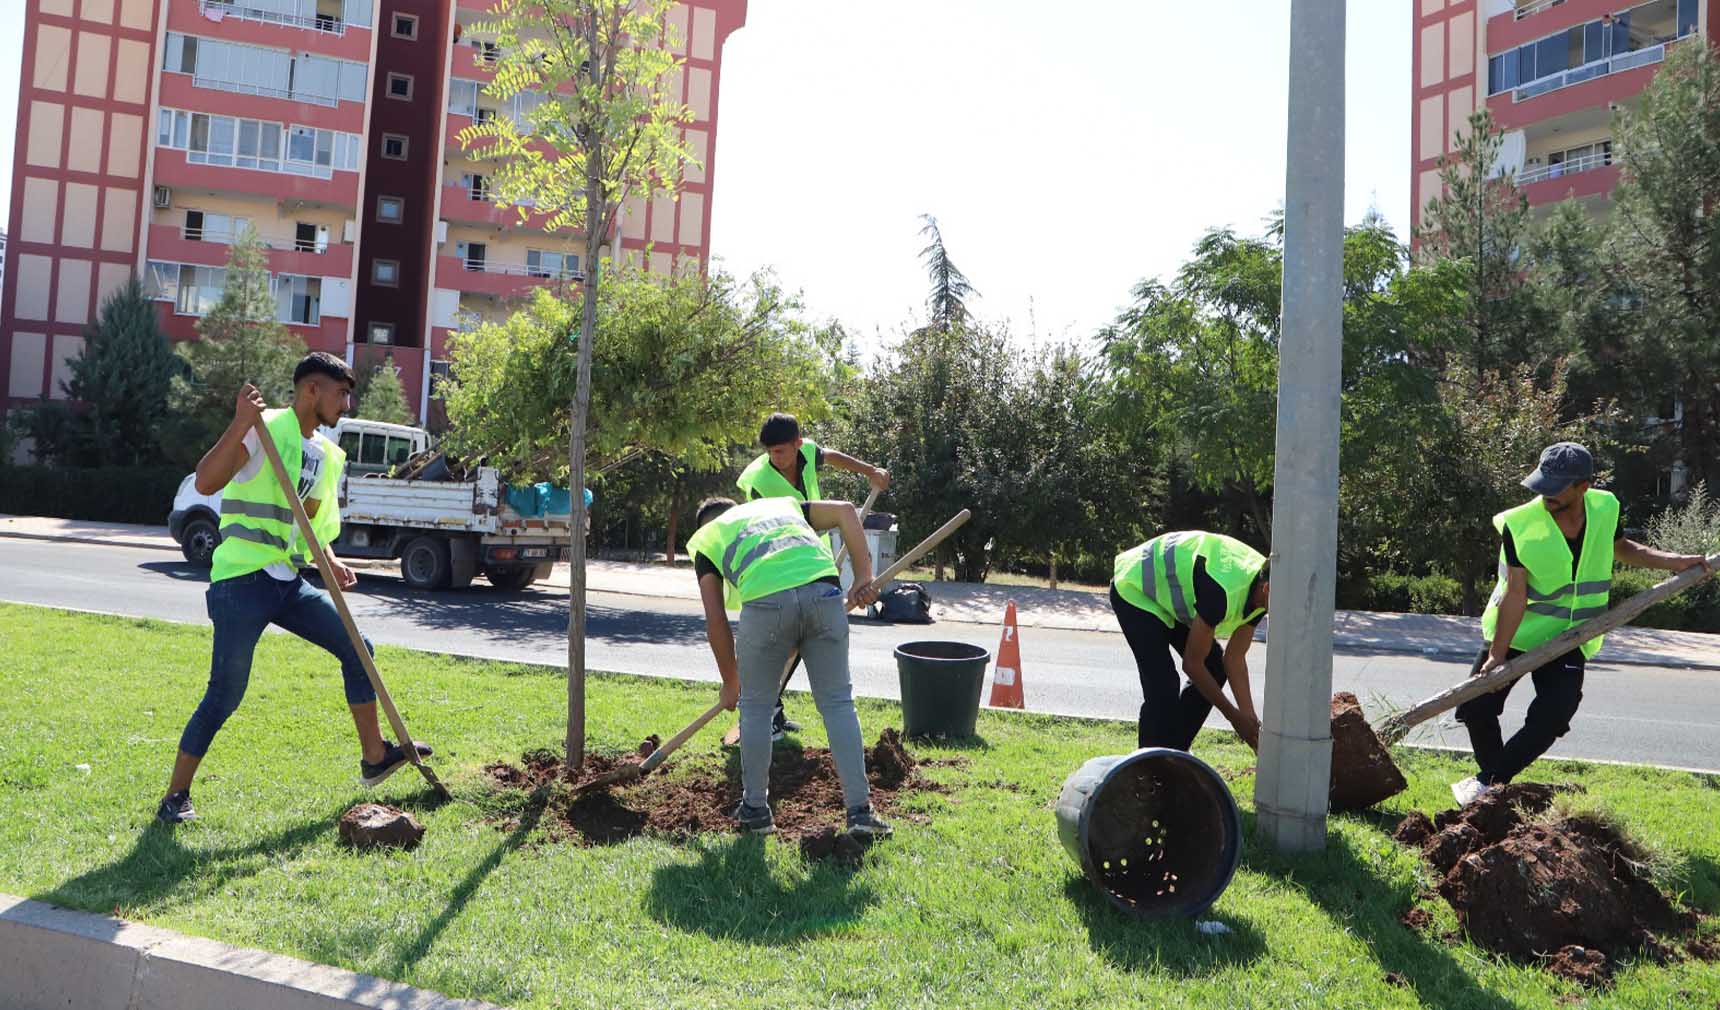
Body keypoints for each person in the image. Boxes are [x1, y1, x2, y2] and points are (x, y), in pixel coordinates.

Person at [157, 352, 430, 824]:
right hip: (242, 579)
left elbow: (311, 525)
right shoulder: (266, 430)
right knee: (225, 692)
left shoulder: (324, 455)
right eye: (341, 393)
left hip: (286, 582)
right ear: (311, 390)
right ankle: (175, 796)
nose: (347, 404)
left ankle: (374, 757)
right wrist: (241, 422)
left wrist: (330, 561)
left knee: (357, 648)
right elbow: (206, 480)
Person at [1452, 443, 1711, 805]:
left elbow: (1621, 547)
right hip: (1516, 630)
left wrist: (1675, 561)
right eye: (1541, 483)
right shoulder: (1520, 523)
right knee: (1477, 708)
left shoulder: (1604, 508)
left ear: (1583, 487)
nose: (1544, 494)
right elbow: (1515, 593)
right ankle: (1494, 792)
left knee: (1555, 713)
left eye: (1555, 488)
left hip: (1571, 634)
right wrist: (1497, 656)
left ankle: (1488, 784)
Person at [687, 494, 891, 836]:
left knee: (755, 709)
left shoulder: (709, 537)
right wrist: (863, 577)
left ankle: (755, 810)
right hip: (823, 593)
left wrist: (731, 682)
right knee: (839, 704)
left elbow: (716, 620)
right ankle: (860, 812)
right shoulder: (780, 506)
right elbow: (845, 511)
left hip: (766, 604)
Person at [735, 412, 890, 740]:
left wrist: (870, 472)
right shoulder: (759, 484)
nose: (774, 458)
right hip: (777, 563)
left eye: (781, 451)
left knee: (800, 643)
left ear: (797, 444)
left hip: (812, 552)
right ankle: (768, 712)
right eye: (770, 452)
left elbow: (830, 456)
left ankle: (772, 711)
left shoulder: (806, 451)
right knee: (784, 641)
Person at [1110, 531, 1270, 752]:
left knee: (1214, 666)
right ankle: (1145, 772)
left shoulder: (1263, 593)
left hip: (1166, 598)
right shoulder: (1222, 592)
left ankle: (1174, 754)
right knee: (1162, 688)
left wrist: (1249, 721)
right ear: (1267, 589)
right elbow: (1193, 665)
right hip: (1135, 587)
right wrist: (1234, 717)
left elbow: (1234, 659)